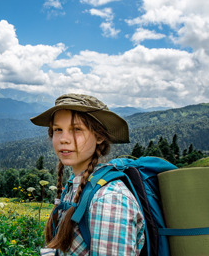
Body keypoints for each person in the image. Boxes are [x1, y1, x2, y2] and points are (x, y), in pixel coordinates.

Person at [31, 94, 145, 256]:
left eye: (76, 129)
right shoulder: (74, 186)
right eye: (58, 130)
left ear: (99, 136)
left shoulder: (109, 199)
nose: (64, 139)